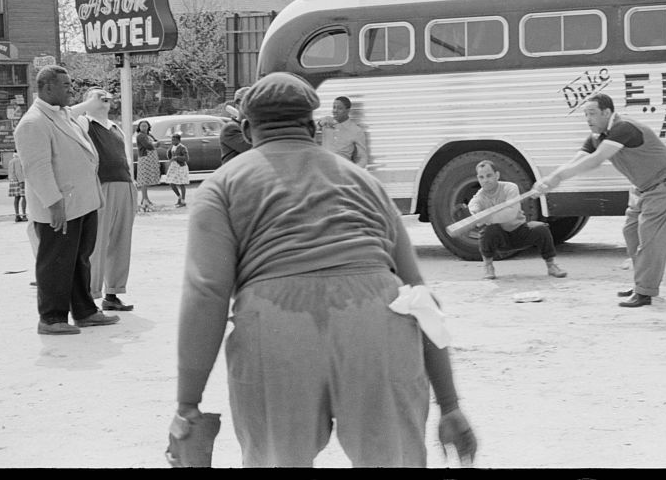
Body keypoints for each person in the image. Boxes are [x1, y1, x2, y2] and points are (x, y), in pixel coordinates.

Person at [173, 71, 476, 468]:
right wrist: (450, 405)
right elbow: (418, 296)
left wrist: (187, 404)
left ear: (247, 129)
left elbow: (206, 293)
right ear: (313, 127)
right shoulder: (364, 183)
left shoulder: (222, 185)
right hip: (378, 321)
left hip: (277, 329)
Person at [533, 92, 666, 308]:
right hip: (642, 187)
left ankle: (645, 292)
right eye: (585, 114)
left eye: (592, 113)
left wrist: (557, 178)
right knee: (630, 231)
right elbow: (576, 160)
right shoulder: (597, 136)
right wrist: (548, 181)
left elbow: (596, 160)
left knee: (650, 237)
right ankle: (640, 284)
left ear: (607, 112)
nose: (588, 119)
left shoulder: (623, 128)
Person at [12, 65, 120, 335]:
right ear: (48, 88)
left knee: (80, 259)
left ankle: (84, 311)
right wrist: (54, 203)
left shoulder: (63, 114)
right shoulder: (33, 122)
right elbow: (37, 167)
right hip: (60, 208)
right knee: (56, 263)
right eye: (66, 85)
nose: (71, 89)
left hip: (82, 203)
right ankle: (51, 318)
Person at [69, 87, 137, 312]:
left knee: (121, 242)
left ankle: (113, 293)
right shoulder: (85, 123)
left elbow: (125, 157)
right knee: (97, 244)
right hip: (102, 185)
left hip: (124, 185)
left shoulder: (117, 128)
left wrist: (132, 185)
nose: (104, 100)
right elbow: (66, 116)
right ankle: (90, 296)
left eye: (106, 97)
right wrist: (89, 104)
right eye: (99, 97)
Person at [468, 159, 567, 281]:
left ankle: (551, 266)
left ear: (497, 175)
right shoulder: (479, 197)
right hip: (500, 239)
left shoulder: (510, 188)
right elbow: (475, 211)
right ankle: (488, 266)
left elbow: (510, 213)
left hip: (519, 231)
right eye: (481, 177)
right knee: (488, 231)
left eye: (489, 175)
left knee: (541, 229)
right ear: (478, 178)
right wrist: (476, 213)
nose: (485, 180)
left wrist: (487, 217)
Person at [315, 95, 368, 168]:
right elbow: (307, 134)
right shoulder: (325, 124)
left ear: (347, 111)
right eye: (334, 107)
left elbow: (363, 158)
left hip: (343, 171)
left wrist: (353, 171)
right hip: (324, 171)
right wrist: (320, 124)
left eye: (339, 108)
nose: (335, 111)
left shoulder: (356, 131)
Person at [219, 87, 252, 164]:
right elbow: (254, 148)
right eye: (250, 102)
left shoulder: (252, 125)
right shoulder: (230, 128)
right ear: (238, 103)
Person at [135, 120, 161, 211]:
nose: (144, 127)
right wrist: (155, 144)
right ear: (139, 127)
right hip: (145, 158)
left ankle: (145, 199)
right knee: (144, 179)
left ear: (148, 127)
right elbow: (148, 145)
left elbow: (157, 142)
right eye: (142, 126)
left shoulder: (149, 135)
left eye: (145, 126)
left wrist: (156, 143)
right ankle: (144, 198)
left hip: (151, 158)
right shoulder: (140, 136)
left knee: (147, 178)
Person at [165, 133, 190, 207]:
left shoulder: (182, 148)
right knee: (171, 183)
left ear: (179, 140)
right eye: (172, 140)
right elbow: (169, 155)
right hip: (174, 167)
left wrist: (176, 157)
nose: (173, 141)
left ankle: (183, 200)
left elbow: (186, 158)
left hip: (181, 167)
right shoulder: (172, 147)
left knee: (181, 184)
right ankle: (179, 197)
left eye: (175, 140)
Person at [7, 151, 27, 222]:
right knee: (24, 197)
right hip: (19, 180)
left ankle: (17, 215)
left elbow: (10, 172)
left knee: (16, 198)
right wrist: (21, 181)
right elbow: (19, 171)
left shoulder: (11, 161)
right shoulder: (19, 160)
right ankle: (24, 215)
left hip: (13, 180)